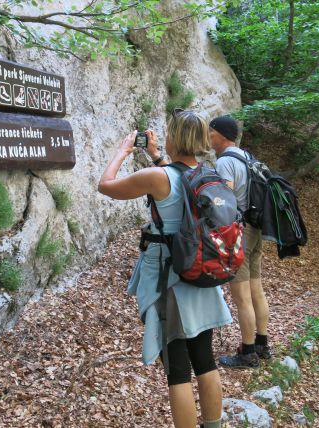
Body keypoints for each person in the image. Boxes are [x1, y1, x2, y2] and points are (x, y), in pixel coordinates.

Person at [98, 110, 232, 428]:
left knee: (177, 369)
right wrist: (156, 154)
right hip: (202, 274)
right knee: (205, 359)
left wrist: (123, 151)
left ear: (176, 138)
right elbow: (177, 179)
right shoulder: (208, 175)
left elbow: (106, 186)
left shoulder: (156, 178)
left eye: (169, 134)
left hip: (168, 280)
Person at [209, 115, 271, 368]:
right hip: (256, 228)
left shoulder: (225, 162)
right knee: (257, 289)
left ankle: (247, 353)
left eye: (210, 132)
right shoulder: (247, 157)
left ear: (222, 135)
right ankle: (261, 343)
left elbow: (224, 198)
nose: (208, 137)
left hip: (239, 233)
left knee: (241, 295)